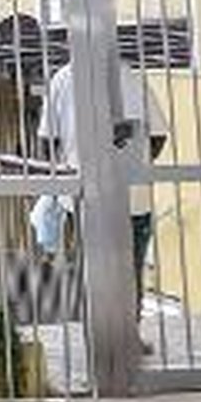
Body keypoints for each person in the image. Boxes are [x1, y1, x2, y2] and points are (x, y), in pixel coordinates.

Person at [39, 41, 160, 344]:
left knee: (91, 269)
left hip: (83, 197)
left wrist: (66, 168)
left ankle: (104, 337)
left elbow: (47, 141)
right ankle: (126, 336)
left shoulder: (63, 79)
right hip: (130, 196)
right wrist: (134, 167)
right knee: (128, 270)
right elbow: (158, 135)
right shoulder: (129, 75)